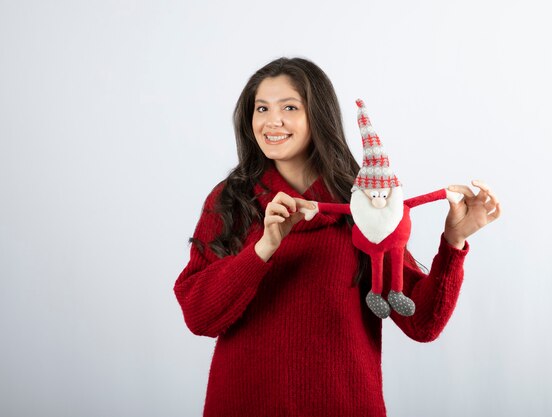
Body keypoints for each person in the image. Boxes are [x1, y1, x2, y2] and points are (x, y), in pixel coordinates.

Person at [173, 57, 501, 417]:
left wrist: (453, 242)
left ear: (319, 115)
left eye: (290, 107)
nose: (272, 120)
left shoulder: (366, 203)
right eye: (261, 108)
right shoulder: (230, 201)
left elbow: (421, 323)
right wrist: (263, 249)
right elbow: (199, 316)